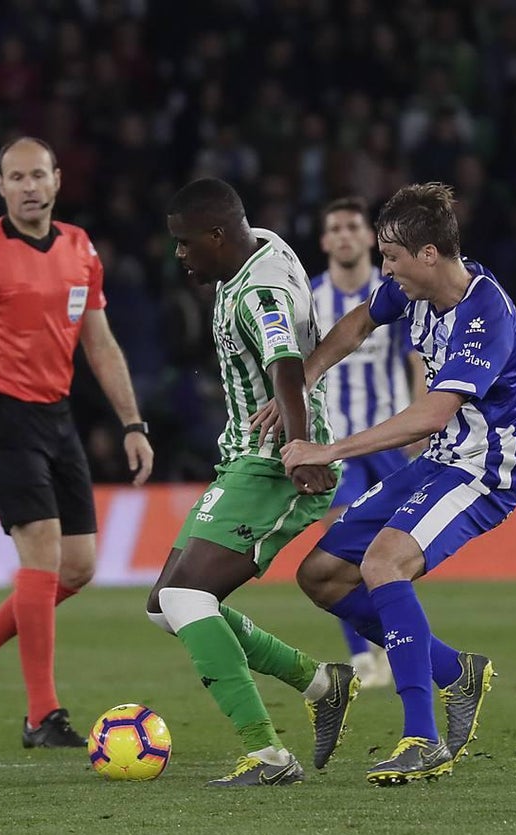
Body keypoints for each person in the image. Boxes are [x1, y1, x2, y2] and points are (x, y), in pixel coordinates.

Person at [282, 182, 516, 786]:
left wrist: (330, 449)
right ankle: (455, 671)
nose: (382, 268)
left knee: (383, 563)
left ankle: (422, 737)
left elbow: (433, 413)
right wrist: (307, 376)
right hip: (438, 462)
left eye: (391, 257)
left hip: (482, 470)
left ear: (427, 254)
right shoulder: (407, 290)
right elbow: (359, 322)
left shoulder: (484, 311)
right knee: (319, 575)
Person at [0, 137, 154, 747]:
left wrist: (132, 423)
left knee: (78, 567)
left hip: (55, 412)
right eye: (15, 177)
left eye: (38, 175)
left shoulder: (79, 248)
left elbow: (100, 344)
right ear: (0, 186)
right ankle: (41, 716)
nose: (28, 187)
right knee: (43, 556)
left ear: (56, 181)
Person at [146, 177, 358, 787]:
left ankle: (267, 755)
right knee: (167, 606)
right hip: (244, 455)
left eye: (186, 244)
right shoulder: (263, 244)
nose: (180, 255)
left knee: (187, 600)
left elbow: (285, 362)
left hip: (272, 465)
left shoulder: (258, 290)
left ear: (217, 235)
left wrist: (297, 448)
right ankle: (323, 684)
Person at [310, 196, 426, 689]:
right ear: (325, 240)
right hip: (339, 444)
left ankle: (394, 643)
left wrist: (422, 424)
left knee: (390, 552)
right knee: (341, 544)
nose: (343, 235)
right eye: (334, 227)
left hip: (392, 440)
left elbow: (416, 358)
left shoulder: (395, 291)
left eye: (352, 226)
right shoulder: (312, 298)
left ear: (367, 237)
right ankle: (361, 657)